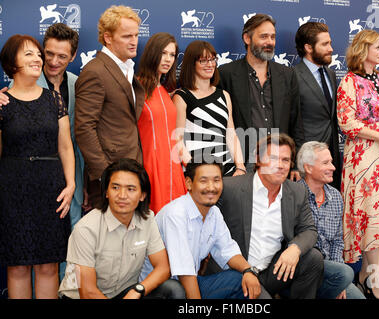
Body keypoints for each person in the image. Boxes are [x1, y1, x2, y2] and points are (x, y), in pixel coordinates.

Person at [0, 34, 75, 298]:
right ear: (11, 62)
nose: (38, 58)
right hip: (12, 190)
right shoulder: (2, 103)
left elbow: (65, 146)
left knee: (48, 265)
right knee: (18, 266)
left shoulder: (54, 99)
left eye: (38, 54)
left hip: (50, 188)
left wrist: (71, 184)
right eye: (28, 54)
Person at [337, 29, 379, 299]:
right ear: (363, 50)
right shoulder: (348, 82)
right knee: (369, 216)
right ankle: (375, 280)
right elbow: (346, 122)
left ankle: (366, 272)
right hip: (363, 155)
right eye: (378, 47)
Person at [58, 159, 185, 299]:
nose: (122, 195)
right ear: (106, 192)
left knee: (172, 289)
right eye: (115, 187)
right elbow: (87, 292)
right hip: (81, 297)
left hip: (124, 293)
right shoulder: (86, 229)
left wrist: (138, 290)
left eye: (131, 189)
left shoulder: (147, 220)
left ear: (142, 195)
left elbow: (163, 268)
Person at [217, 133, 323, 299]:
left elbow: (309, 230)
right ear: (258, 160)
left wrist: (294, 249)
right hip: (238, 273)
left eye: (285, 160)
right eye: (273, 158)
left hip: (271, 272)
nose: (280, 165)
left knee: (313, 259)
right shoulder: (230, 188)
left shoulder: (296, 191)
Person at [0, 23, 84, 229]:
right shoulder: (14, 89)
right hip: (27, 179)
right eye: (49, 54)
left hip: (73, 177)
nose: (54, 61)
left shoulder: (78, 84)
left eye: (62, 56)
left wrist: (82, 182)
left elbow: (76, 138)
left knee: (68, 243)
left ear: (73, 57)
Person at [140, 162, 261, 299]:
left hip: (190, 282)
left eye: (216, 180)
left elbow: (228, 250)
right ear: (189, 183)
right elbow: (184, 272)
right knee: (176, 290)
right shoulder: (175, 214)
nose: (211, 187)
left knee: (241, 280)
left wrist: (248, 271)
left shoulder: (214, 213)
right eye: (203, 181)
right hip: (161, 290)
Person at [75, 5, 145, 210]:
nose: (134, 41)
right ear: (108, 38)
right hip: (110, 180)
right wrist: (105, 175)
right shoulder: (95, 71)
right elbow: (84, 128)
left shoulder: (127, 68)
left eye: (136, 35)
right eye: (126, 36)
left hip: (132, 171)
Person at [218, 14, 304, 178]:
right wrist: (235, 165)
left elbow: (296, 123)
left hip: (279, 161)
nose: (270, 42)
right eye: (263, 36)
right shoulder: (226, 74)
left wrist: (296, 165)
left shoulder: (287, 74)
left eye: (272, 37)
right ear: (247, 38)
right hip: (243, 163)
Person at [297, 141, 365, 299]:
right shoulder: (294, 196)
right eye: (326, 163)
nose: (333, 168)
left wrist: (339, 281)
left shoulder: (335, 196)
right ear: (308, 167)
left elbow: (337, 242)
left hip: (331, 272)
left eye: (332, 162)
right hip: (303, 273)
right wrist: (341, 276)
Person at [173, 40, 246, 177]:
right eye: (203, 61)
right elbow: (178, 140)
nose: (210, 64)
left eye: (213, 59)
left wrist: (240, 167)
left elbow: (231, 134)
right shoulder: (182, 97)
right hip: (198, 174)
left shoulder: (224, 95)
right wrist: (193, 170)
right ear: (192, 64)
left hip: (228, 171)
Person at [136, 32, 186, 214]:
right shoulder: (137, 87)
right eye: (163, 53)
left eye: (172, 55)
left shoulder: (165, 91)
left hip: (173, 168)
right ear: (152, 53)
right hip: (150, 167)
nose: (168, 59)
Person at [293, 22, 341, 190]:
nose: (331, 49)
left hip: (331, 157)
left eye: (330, 43)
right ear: (308, 47)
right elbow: (291, 120)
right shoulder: (292, 76)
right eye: (325, 44)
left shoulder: (331, 74)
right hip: (307, 160)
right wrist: (294, 163)